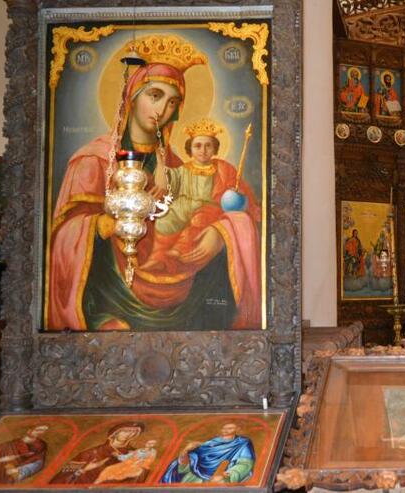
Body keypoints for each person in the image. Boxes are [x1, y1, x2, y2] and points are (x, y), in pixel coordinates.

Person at [46, 35, 261, 331]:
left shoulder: (179, 167)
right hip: (111, 293)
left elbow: (225, 209)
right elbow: (62, 238)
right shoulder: (92, 161)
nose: (162, 110)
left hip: (182, 293)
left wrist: (220, 233)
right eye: (155, 95)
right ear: (133, 96)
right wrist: (102, 225)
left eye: (173, 102)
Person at [141, 118, 261, 273]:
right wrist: (160, 162)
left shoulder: (223, 168)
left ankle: (178, 250)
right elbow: (163, 184)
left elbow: (238, 189)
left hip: (208, 208)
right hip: (182, 207)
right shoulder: (183, 170)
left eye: (208, 146)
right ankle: (157, 258)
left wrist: (234, 192)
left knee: (199, 219)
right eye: (197, 146)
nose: (203, 150)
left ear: (215, 148)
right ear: (190, 149)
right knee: (165, 219)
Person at [51, 422, 145, 484]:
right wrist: (84, 469)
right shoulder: (91, 453)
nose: (129, 434)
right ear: (115, 433)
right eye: (126, 431)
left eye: (134, 432)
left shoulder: (136, 453)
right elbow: (61, 478)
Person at [160, 423, 255, 484]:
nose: (226, 430)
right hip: (196, 474)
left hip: (218, 477)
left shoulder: (243, 442)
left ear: (237, 429)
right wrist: (186, 451)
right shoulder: (213, 441)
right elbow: (196, 456)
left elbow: (245, 463)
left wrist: (231, 473)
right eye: (224, 428)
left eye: (230, 428)